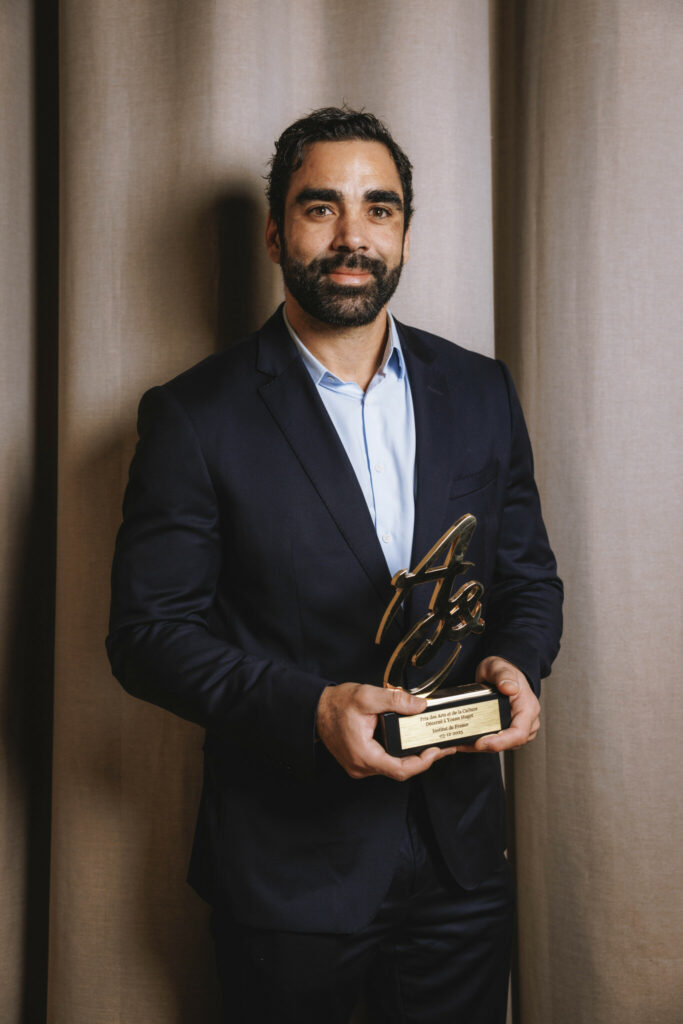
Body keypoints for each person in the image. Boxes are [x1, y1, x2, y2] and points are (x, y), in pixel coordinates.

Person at [107, 107, 562, 1023]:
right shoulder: (194, 415)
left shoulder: (480, 390)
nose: (353, 235)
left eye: (378, 209)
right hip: (287, 876)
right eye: (321, 208)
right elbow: (147, 636)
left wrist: (518, 660)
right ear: (277, 234)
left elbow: (526, 580)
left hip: (462, 865)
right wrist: (312, 710)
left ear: (404, 233)